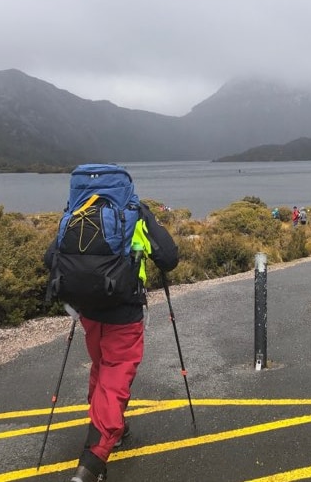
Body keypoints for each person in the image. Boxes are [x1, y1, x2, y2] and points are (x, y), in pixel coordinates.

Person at [45, 203, 179, 482]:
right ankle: (93, 460)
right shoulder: (135, 212)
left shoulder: (80, 211)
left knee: (102, 367)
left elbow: (50, 258)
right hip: (124, 310)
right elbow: (169, 257)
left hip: (89, 311)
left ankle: (113, 428)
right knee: (115, 376)